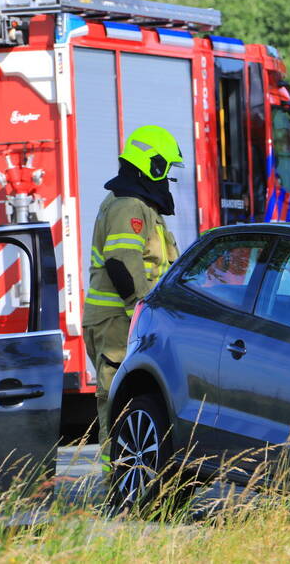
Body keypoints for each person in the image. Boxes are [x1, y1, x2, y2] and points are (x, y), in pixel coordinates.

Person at [82, 125, 183, 470]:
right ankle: (120, 485)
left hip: (126, 321)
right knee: (119, 401)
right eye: (166, 170)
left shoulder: (139, 205)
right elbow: (121, 266)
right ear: (152, 166)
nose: (167, 181)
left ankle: (130, 479)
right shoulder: (128, 206)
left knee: (132, 401)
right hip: (119, 323)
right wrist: (142, 313)